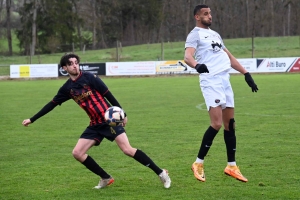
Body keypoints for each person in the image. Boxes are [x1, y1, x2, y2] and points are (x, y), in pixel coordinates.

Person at [22, 53, 171, 189]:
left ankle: (161, 173)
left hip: (109, 120)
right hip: (94, 124)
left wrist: (122, 113)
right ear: (64, 68)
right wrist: (32, 119)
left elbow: (108, 95)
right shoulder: (67, 88)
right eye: (71, 63)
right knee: (77, 153)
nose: (75, 65)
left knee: (127, 150)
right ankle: (105, 178)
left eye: (76, 62)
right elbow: (52, 104)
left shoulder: (90, 78)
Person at [184, 4, 258, 183]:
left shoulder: (215, 34)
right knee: (216, 124)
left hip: (225, 80)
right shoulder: (195, 34)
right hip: (211, 80)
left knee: (230, 124)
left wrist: (246, 74)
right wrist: (196, 65)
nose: (209, 16)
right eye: (205, 14)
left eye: (210, 13)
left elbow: (229, 57)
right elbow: (188, 56)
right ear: (197, 17)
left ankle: (231, 166)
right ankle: (198, 163)